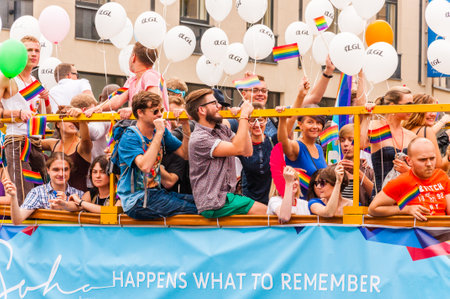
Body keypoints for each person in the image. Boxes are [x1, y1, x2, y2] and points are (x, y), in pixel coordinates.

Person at [186, 88, 267, 217]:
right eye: (214, 103)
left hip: (226, 199)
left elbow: (247, 151)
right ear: (202, 110)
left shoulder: (221, 129)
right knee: (267, 213)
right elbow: (239, 148)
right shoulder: (199, 138)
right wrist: (243, 116)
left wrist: (243, 120)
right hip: (215, 202)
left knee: (268, 213)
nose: (219, 106)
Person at [117, 91, 196, 220]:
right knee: (196, 210)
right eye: (155, 111)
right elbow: (145, 166)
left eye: (161, 110)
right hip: (136, 201)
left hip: (155, 193)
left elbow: (185, 154)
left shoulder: (161, 132)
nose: (160, 115)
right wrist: (159, 133)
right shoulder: (130, 137)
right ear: (140, 112)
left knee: (202, 203)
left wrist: (185, 126)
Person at [0, 36, 49, 205]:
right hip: (16, 141)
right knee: (23, 195)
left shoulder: (35, 82)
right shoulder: (7, 77)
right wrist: (17, 112)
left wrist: (46, 100)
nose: (34, 54)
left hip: (35, 141)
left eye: (37, 51)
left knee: (42, 191)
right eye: (29, 50)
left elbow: (44, 114)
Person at [368, 138, 450, 221]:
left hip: (442, 230)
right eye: (423, 160)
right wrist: (407, 209)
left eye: (432, 158)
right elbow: (373, 209)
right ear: (409, 161)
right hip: (415, 232)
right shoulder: (402, 181)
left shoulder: (441, 176)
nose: (429, 164)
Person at [85, 43, 168, 119]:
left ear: (133, 57)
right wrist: (98, 108)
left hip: (156, 130)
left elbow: (155, 100)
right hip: (140, 129)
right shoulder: (132, 80)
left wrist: (132, 109)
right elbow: (117, 100)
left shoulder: (151, 75)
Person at [360, 86, 417, 194]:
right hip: (382, 197)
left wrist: (408, 170)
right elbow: (360, 144)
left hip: (407, 196)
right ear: (392, 106)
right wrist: (366, 116)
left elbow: (419, 168)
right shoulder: (375, 126)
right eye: (408, 105)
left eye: (413, 104)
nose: (412, 108)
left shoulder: (411, 135)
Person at [6, 152, 84, 225]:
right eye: (56, 169)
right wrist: (13, 196)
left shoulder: (80, 194)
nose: (61, 174)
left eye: (65, 169)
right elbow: (17, 220)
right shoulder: (37, 193)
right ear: (48, 170)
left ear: (70, 170)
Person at [277, 103, 328, 199]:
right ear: (300, 125)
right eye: (310, 122)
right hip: (299, 208)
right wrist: (282, 119)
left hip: (317, 207)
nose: (315, 126)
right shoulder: (296, 146)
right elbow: (282, 141)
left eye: (318, 123)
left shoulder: (319, 148)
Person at [42, 103, 92, 192]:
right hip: (54, 197)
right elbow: (29, 143)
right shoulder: (53, 143)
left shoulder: (81, 145)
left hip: (78, 199)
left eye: (74, 119)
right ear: (58, 124)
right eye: (67, 118)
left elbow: (86, 140)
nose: (72, 121)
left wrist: (81, 118)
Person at [49, 155, 121, 213]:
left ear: (111, 174)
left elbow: (111, 211)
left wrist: (80, 202)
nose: (98, 176)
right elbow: (77, 206)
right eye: (94, 172)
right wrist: (64, 204)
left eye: (102, 172)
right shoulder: (90, 194)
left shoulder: (119, 195)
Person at [238, 103, 277, 205]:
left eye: (260, 119)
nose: (256, 124)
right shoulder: (241, 145)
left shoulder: (273, 141)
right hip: (250, 203)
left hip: (273, 201)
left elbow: (290, 123)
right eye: (252, 120)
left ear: (266, 120)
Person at [402, 93, 443, 169]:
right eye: (428, 110)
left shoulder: (405, 130)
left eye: (435, 110)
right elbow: (438, 165)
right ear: (418, 112)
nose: (433, 114)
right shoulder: (426, 131)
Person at [338, 124, 375, 206]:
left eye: (351, 140)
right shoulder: (333, 169)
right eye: (342, 140)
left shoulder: (368, 170)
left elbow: (376, 196)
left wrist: (359, 174)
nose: (346, 144)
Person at [70, 94, 111, 162]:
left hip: (104, 167)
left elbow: (94, 135)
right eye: (95, 107)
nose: (98, 109)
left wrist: (80, 121)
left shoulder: (104, 116)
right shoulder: (71, 121)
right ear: (84, 110)